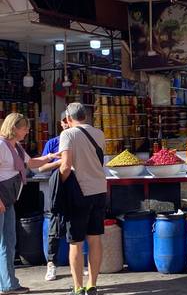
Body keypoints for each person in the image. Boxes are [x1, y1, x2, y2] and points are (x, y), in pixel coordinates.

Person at [0, 113, 59, 294]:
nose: (27, 131)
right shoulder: (1, 145)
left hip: (9, 200)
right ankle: (8, 284)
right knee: (4, 242)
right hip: (2, 199)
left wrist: (52, 156)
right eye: (24, 127)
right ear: (14, 128)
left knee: (8, 242)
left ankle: (9, 284)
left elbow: (32, 162)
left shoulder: (16, 147)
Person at [58, 103, 106, 295]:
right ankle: (92, 285)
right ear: (85, 116)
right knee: (95, 239)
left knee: (76, 242)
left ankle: (78, 288)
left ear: (69, 119)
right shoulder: (99, 133)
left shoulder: (67, 134)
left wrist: (59, 184)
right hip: (99, 190)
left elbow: (66, 165)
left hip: (79, 193)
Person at [39, 112, 69, 281]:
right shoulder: (53, 143)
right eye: (64, 121)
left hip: (77, 186)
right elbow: (41, 167)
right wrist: (61, 161)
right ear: (61, 122)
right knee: (54, 226)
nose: (66, 123)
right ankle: (51, 264)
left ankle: (77, 264)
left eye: (69, 120)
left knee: (77, 225)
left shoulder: (79, 141)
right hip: (56, 186)